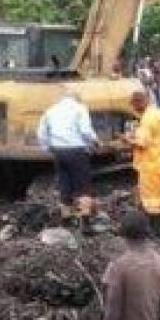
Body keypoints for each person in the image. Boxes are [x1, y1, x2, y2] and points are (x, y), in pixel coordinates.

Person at [37, 87, 98, 229]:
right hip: (76, 150)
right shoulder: (80, 108)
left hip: (58, 151)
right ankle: (86, 222)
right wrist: (94, 142)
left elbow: (41, 133)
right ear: (76, 98)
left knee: (64, 183)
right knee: (84, 186)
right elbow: (85, 131)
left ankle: (66, 219)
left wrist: (47, 147)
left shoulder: (51, 110)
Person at [126, 89, 160, 239]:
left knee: (151, 202)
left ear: (140, 103)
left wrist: (128, 140)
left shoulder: (147, 119)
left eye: (134, 105)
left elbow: (141, 143)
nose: (134, 109)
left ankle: (157, 234)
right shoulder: (158, 114)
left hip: (149, 165)